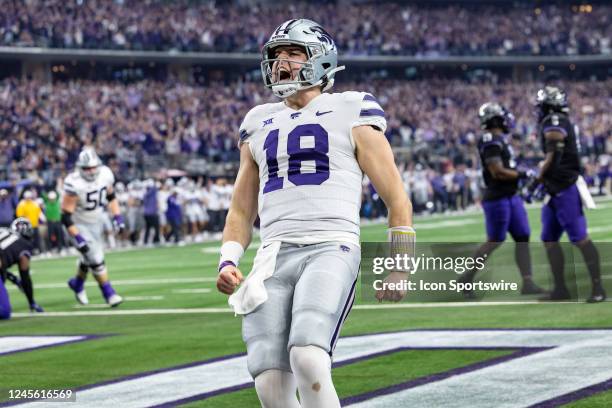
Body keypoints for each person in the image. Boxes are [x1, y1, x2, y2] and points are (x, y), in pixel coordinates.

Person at [215, 19, 413, 408]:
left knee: (307, 356)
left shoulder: (352, 107)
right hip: (273, 255)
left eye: (292, 53)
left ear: (321, 60)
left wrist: (400, 266)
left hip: (330, 246)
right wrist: (228, 259)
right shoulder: (257, 121)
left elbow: (397, 197)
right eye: (276, 55)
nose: (280, 63)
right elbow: (241, 207)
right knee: (269, 380)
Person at [459, 103, 544, 297]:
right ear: (495, 119)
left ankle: (528, 282)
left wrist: (521, 173)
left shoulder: (500, 139)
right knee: (495, 240)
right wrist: (523, 174)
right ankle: (466, 278)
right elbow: (497, 171)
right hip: (497, 197)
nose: (508, 120)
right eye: (503, 117)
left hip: (511, 196)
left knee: (522, 236)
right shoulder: (490, 139)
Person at [534, 86, 606, 303]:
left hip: (565, 187)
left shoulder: (554, 120)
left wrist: (538, 175)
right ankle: (560, 289)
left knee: (580, 239)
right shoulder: (560, 119)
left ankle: (598, 289)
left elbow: (554, 149)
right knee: (549, 239)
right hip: (554, 189)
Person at [61, 147, 125, 307]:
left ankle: (77, 283)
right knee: (96, 258)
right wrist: (77, 236)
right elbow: (66, 216)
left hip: (97, 219)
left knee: (88, 257)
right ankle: (109, 294)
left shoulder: (105, 174)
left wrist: (117, 216)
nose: (90, 171)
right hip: (79, 222)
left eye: (93, 167)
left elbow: (111, 196)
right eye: (86, 168)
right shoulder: (74, 182)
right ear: (80, 168)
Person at [0, 218, 44, 319]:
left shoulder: (3, 230)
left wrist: (12, 278)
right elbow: (25, 276)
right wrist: (31, 301)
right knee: (4, 312)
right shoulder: (24, 244)